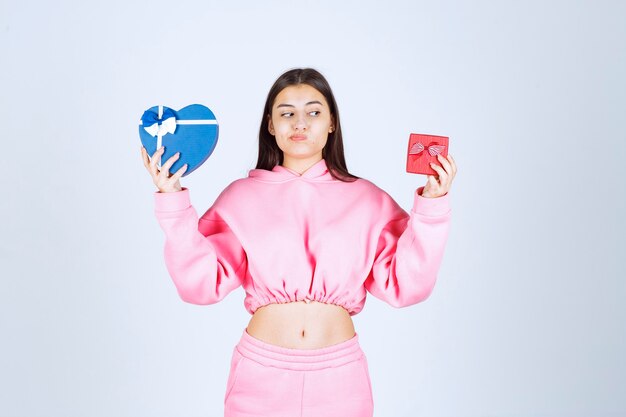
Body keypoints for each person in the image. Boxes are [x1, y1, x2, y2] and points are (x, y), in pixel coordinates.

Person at [140, 67, 457, 417]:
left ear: (332, 123)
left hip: (339, 380)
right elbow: (199, 286)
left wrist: (431, 206)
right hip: (260, 376)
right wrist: (172, 201)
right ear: (271, 125)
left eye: (314, 112)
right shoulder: (240, 197)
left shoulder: (368, 200)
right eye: (287, 113)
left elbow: (407, 285)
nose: (300, 123)